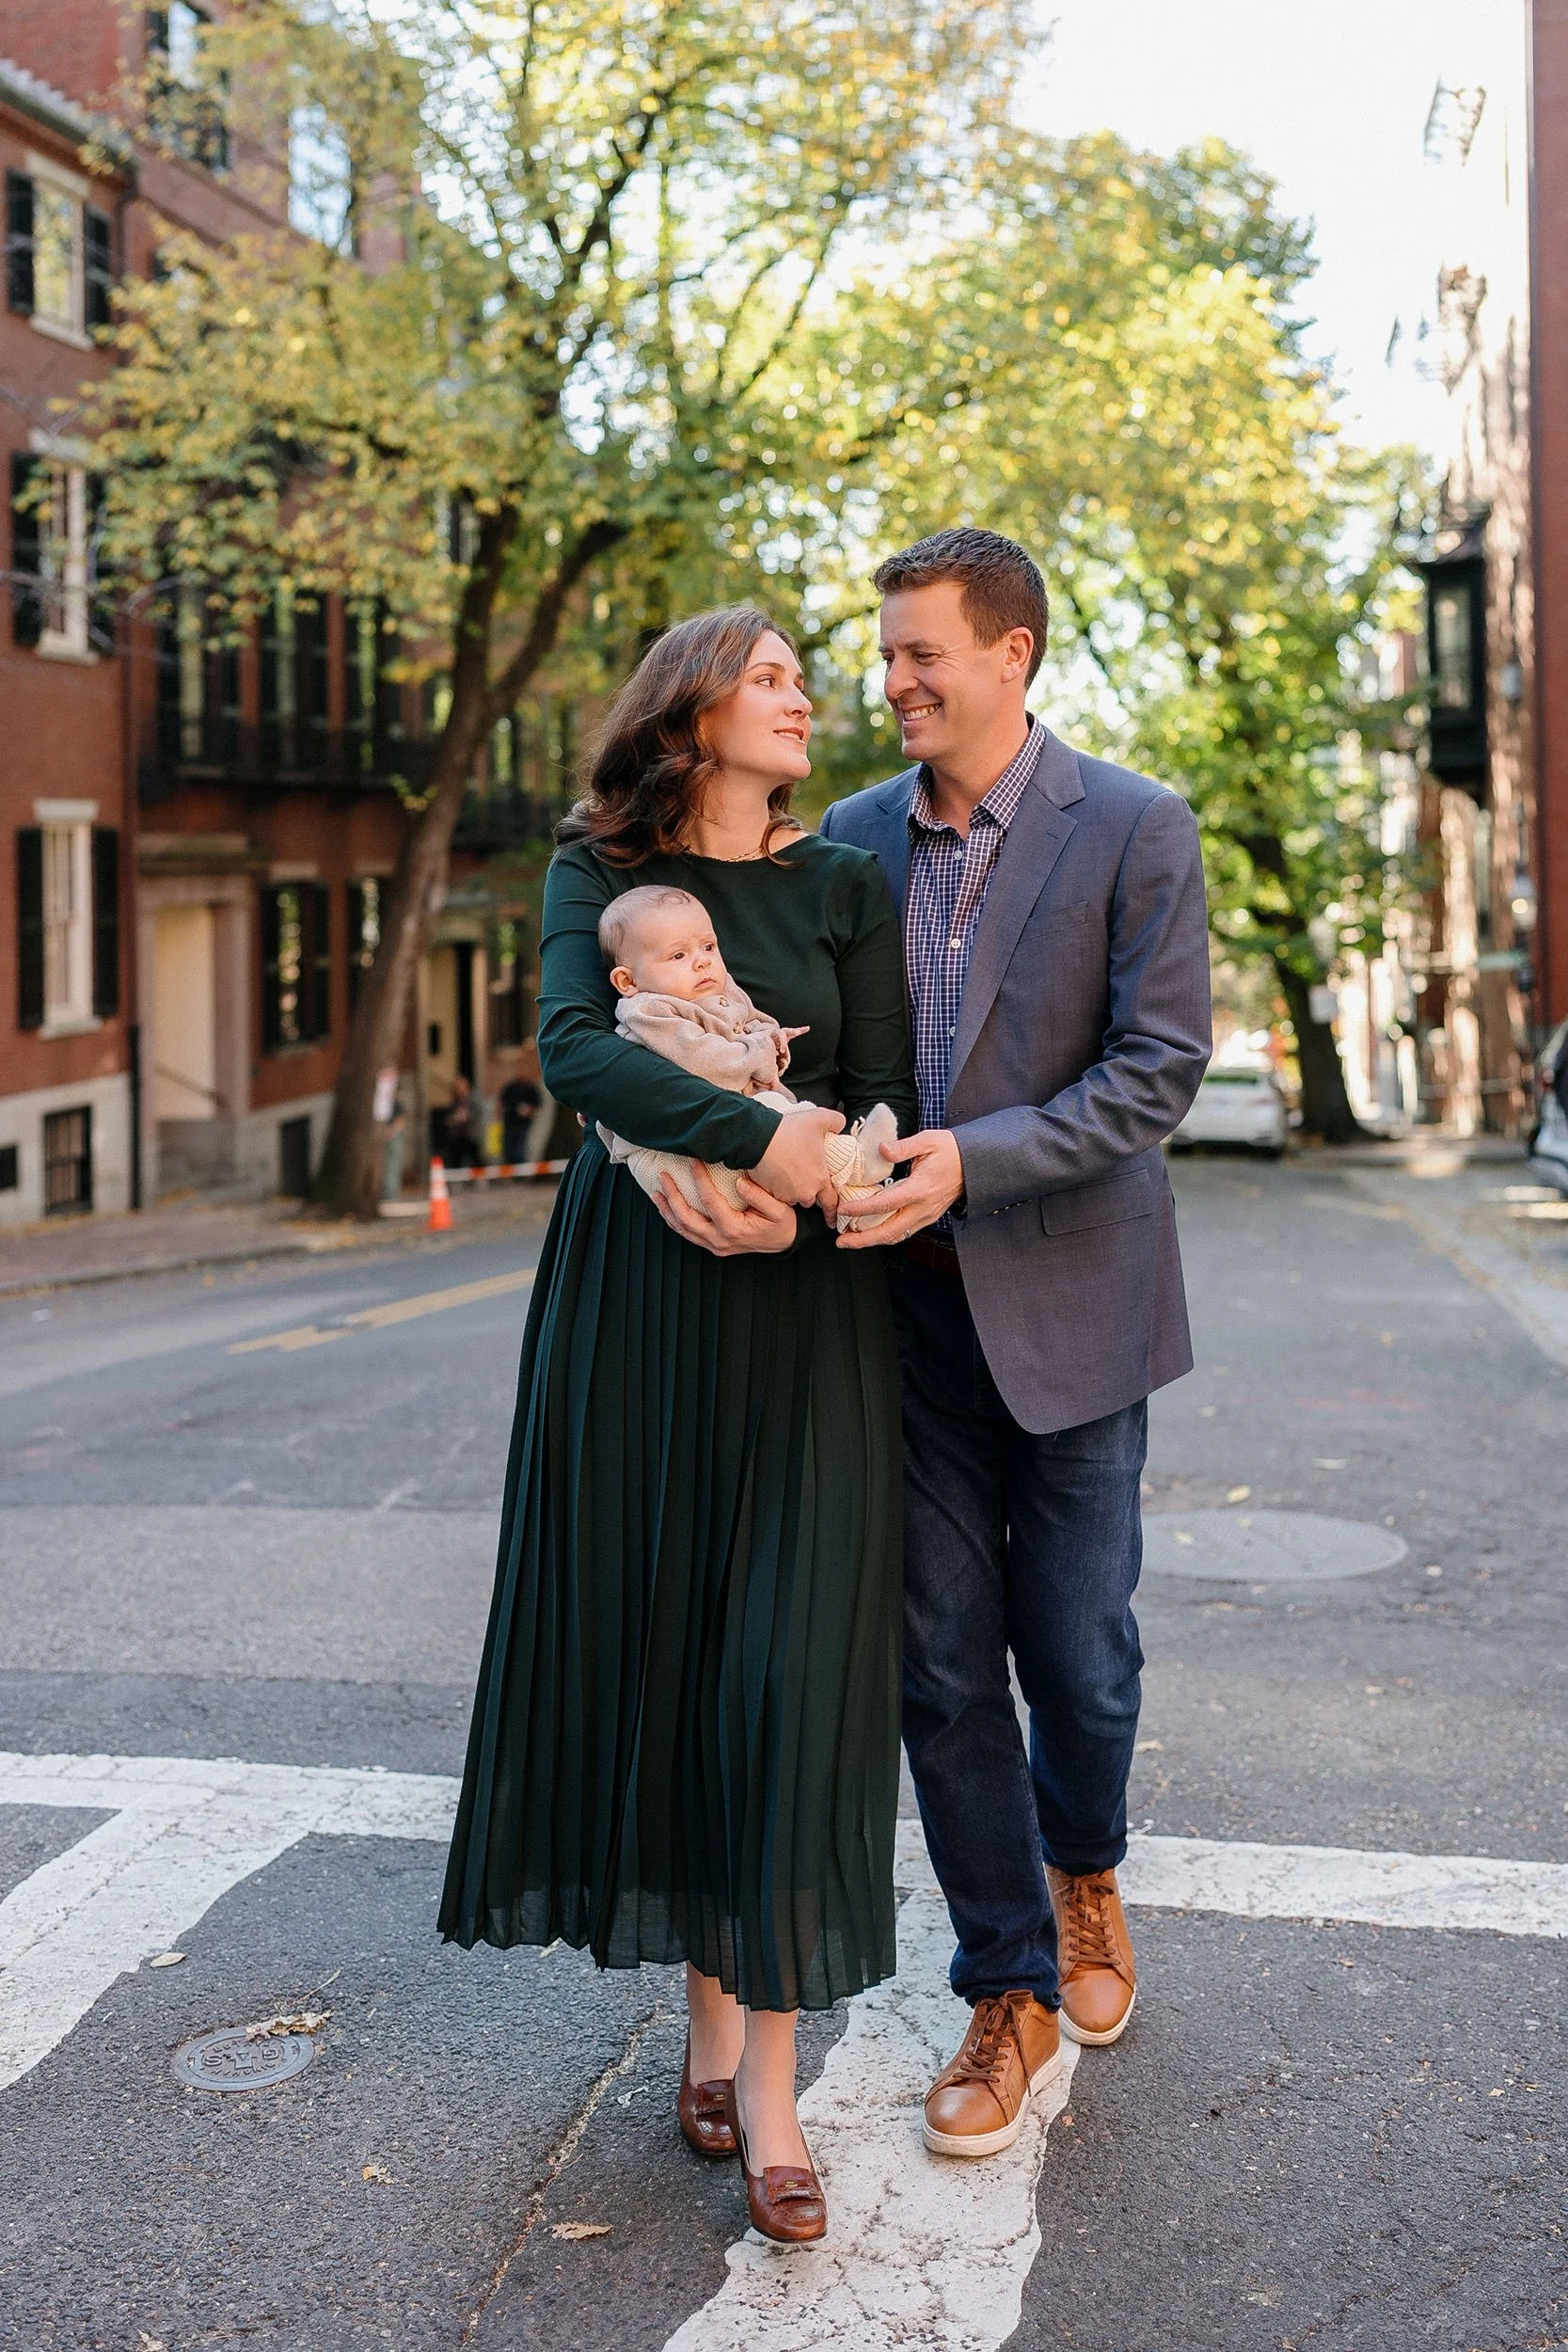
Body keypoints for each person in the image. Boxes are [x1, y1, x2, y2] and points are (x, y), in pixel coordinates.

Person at [439, 605, 917, 2246]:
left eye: (801, 676)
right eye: (772, 673)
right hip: (637, 1315)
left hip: (806, 1324)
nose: (804, 696)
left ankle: (768, 2083)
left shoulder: (842, 885)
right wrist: (737, 1141)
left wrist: (824, 1165)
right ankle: (710, 2029)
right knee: (686, 1657)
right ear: (690, 707)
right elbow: (580, 1054)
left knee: (789, 1670)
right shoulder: (594, 877)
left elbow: (874, 1079)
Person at [820, 528, 1211, 2158]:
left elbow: (1156, 1071)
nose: (894, 679)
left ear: (1014, 654)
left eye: (923, 653)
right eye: (887, 652)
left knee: (1079, 1656)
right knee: (933, 1666)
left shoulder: (1132, 824)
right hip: (893, 1327)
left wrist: (973, 1160)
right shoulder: (843, 837)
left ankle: (1089, 1876)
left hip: (1074, 1307)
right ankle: (1007, 1979)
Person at [594, 882, 898, 1222]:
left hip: (725, 1143)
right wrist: (758, 1053)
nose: (702, 963)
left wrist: (773, 1039)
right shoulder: (648, 1011)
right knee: (777, 1117)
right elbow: (702, 1062)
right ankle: (860, 1159)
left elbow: (754, 1022)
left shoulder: (719, 990)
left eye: (708, 947)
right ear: (627, 981)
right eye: (679, 955)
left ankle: (859, 1208)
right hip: (675, 1162)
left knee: (786, 1124)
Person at [498, 1049, 544, 1166]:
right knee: (508, 1149)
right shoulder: (511, 1086)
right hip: (509, 1122)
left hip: (523, 1124)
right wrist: (497, 1116)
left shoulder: (531, 1088)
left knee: (520, 1150)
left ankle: (520, 1175)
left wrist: (528, 1110)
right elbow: (502, 1102)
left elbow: (537, 1105)